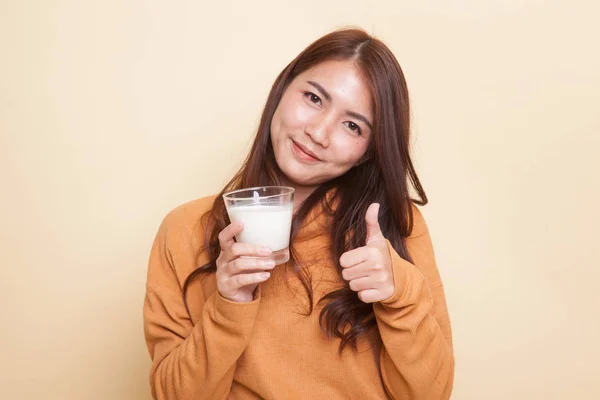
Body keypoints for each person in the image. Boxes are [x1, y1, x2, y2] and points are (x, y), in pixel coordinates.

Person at [143, 27, 454, 399]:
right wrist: (229, 304)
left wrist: (399, 293)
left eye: (352, 126)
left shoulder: (393, 229)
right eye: (313, 98)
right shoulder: (185, 230)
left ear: (369, 150)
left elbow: (432, 395)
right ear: (282, 89)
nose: (319, 133)